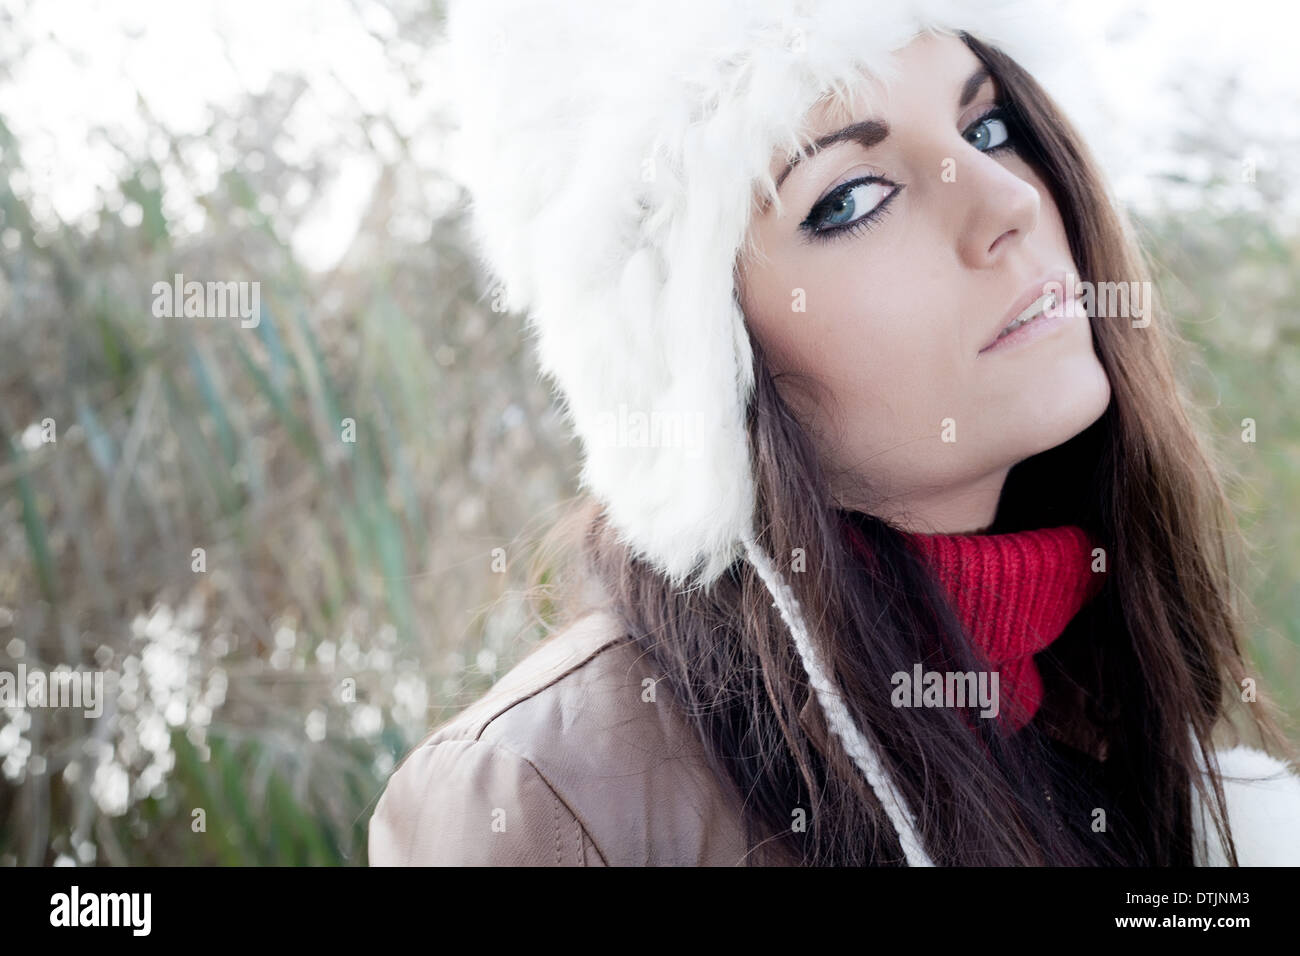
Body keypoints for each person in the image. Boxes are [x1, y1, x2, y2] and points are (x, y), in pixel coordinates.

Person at [369, 0, 1300, 866]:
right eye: (852, 197)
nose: (1006, 204)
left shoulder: (1105, 680)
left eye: (986, 129)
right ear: (701, 358)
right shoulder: (547, 799)